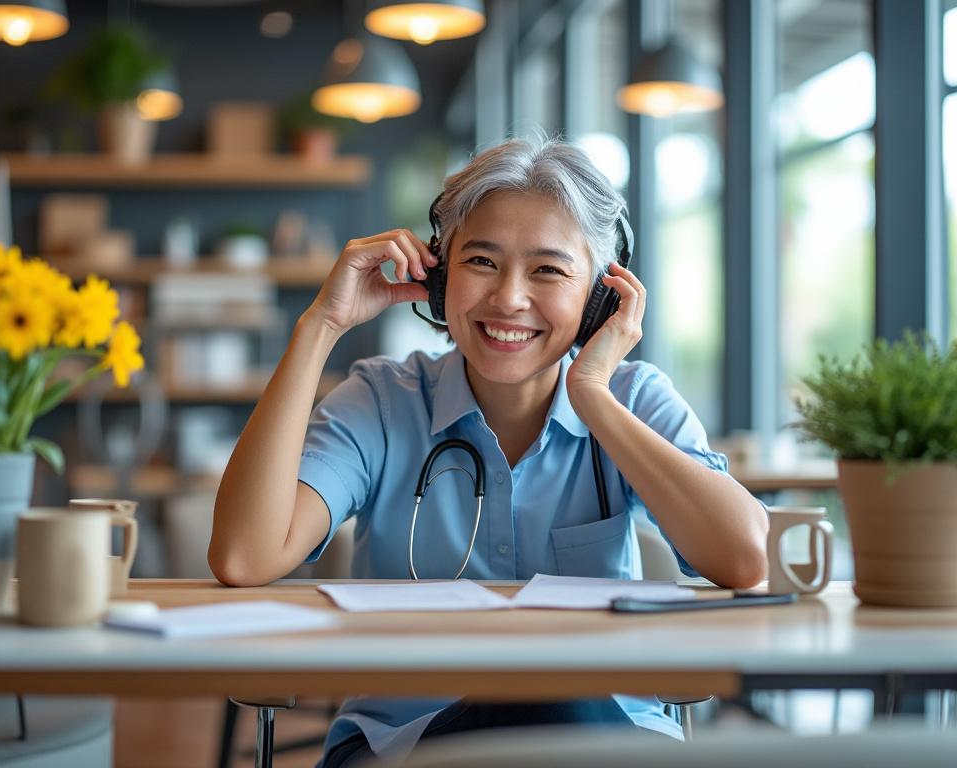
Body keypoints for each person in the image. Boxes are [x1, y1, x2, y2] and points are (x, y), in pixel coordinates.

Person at [208, 137, 768, 767]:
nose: (508, 298)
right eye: (481, 261)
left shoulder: (634, 399)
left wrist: (592, 394)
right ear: (439, 276)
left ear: (600, 298)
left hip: (608, 740)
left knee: (557, 703)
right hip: (406, 744)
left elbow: (745, 556)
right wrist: (321, 326)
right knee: (541, 703)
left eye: (548, 270)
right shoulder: (381, 401)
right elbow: (245, 556)